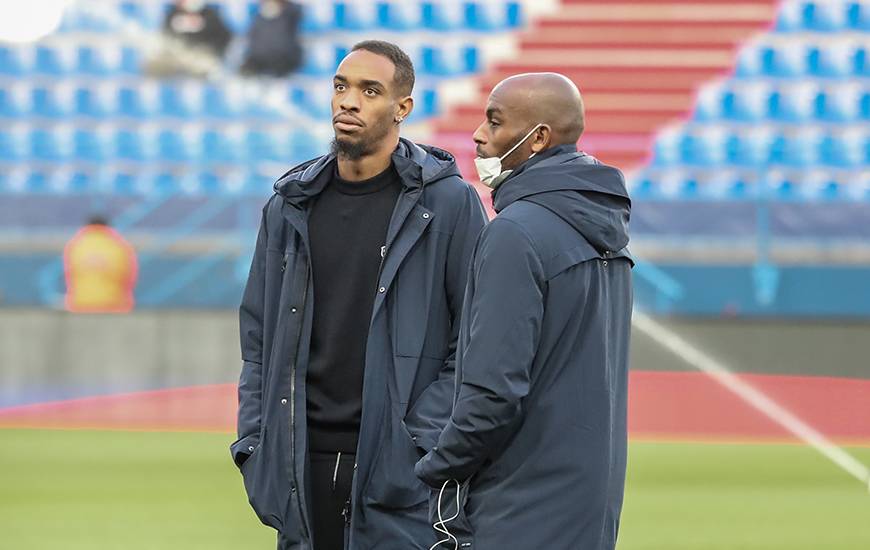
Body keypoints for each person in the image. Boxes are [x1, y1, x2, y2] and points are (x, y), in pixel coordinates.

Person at [231, 40, 487, 550]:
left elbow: (475, 341)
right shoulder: (288, 205)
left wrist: (418, 440)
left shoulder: (450, 205)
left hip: (399, 473)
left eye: (370, 91)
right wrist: (255, 442)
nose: (349, 101)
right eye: (341, 86)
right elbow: (258, 339)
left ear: (402, 108)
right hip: (297, 468)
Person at [414, 73, 634, 550]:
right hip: (589, 503)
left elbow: (493, 391)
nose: (478, 134)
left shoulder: (516, 232)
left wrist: (433, 467)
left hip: (521, 505)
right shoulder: (605, 231)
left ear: (537, 138)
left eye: (494, 121)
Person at [63, 215, 138, 313]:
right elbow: (130, 277)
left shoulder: (75, 245)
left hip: (80, 304)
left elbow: (69, 276)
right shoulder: (120, 246)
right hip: (115, 305)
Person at [143, 0, 232, 78]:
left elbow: (224, 38)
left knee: (207, 65)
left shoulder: (210, 15)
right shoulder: (172, 15)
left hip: (203, 59)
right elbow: (165, 37)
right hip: (177, 58)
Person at [240, 0, 303, 77]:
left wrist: (281, 8)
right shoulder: (258, 17)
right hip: (259, 58)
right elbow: (251, 38)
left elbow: (296, 11)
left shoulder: (290, 14)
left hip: (283, 59)